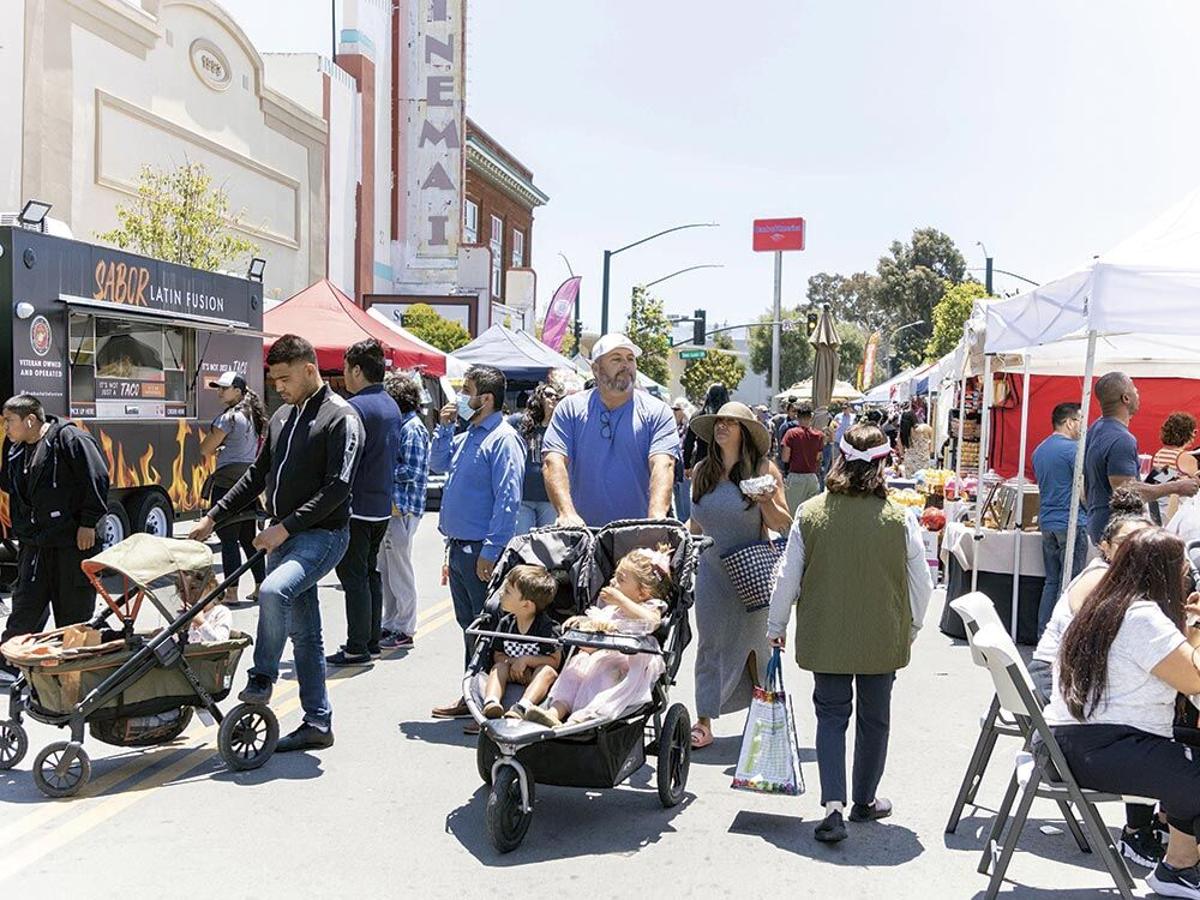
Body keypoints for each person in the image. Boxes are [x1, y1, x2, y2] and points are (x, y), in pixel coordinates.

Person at [190, 334, 362, 753]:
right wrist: (214, 516)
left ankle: (262, 675)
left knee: (271, 589)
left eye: (285, 378)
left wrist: (281, 529)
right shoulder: (284, 416)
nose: (278, 387)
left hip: (322, 537)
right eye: (274, 379)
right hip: (284, 536)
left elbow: (338, 489)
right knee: (306, 634)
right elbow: (255, 475)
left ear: (309, 368)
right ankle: (317, 722)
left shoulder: (342, 417)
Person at [767, 423, 933, 844]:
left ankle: (832, 806)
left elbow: (787, 576)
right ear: (883, 466)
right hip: (882, 633)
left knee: (831, 715)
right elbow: (922, 583)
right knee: (875, 718)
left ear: (838, 459)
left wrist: (777, 624)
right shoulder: (900, 518)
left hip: (827, 634)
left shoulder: (811, 513)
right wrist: (910, 626)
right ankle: (865, 799)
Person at [1047, 527, 1200, 899]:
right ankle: (1179, 866)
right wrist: (1195, 629)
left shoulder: (1108, 602)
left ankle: (1180, 866)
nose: (1188, 577)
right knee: (1194, 769)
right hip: (1100, 747)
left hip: (1071, 743)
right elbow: (1194, 680)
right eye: (1184, 571)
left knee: (1192, 749)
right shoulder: (1143, 617)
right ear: (1165, 574)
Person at [1028, 492, 1162, 868]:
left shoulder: (1118, 580)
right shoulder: (1101, 578)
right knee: (1144, 717)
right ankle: (1139, 832)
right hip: (1052, 675)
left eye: (1142, 544)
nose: (1135, 551)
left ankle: (1164, 819)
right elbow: (1111, 643)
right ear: (1105, 546)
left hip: (1070, 676)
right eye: (1126, 544)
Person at [686, 401, 791, 749]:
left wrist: (765, 499)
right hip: (711, 573)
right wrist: (681, 553)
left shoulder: (763, 469)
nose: (722, 427)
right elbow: (696, 524)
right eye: (720, 422)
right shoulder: (702, 470)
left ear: (744, 432)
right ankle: (703, 720)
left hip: (752, 572)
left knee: (755, 650)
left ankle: (764, 719)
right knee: (709, 645)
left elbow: (784, 524)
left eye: (731, 423)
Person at [428, 364, 525, 724]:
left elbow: (508, 500)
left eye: (466, 390)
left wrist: (491, 550)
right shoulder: (469, 434)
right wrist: (443, 427)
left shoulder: (502, 438)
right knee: (469, 627)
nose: (461, 397)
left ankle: (488, 700)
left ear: (485, 398)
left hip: (479, 550)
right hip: (458, 547)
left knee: (486, 629)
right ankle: (472, 694)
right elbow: (436, 462)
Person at [0, 395, 109, 686]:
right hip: (35, 544)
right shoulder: (15, 448)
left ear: (30, 420)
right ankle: (11, 664)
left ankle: (74, 671)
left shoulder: (70, 440)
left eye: (9, 421)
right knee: (25, 606)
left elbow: (96, 479)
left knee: (73, 611)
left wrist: (88, 523)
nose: (6, 427)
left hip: (72, 544)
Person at [523, 546, 672, 727]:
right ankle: (554, 711)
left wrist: (621, 601)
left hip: (630, 662)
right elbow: (590, 647)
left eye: (621, 579)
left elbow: (652, 622)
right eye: (615, 576)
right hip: (601, 656)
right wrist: (585, 626)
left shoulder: (650, 606)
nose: (613, 582)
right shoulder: (610, 610)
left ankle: (583, 718)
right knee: (576, 665)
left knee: (606, 675)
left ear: (642, 592)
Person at [543, 334, 678, 527]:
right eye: (616, 359)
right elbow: (553, 461)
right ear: (596, 369)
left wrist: (655, 518)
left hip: (637, 534)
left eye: (630, 359)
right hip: (582, 533)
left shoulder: (658, 411)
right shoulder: (569, 408)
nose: (626, 365)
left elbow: (663, 464)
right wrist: (566, 513)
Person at [325, 339, 402, 667]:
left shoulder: (354, 407)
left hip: (356, 505)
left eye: (345, 369)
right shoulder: (391, 405)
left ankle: (357, 644)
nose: (344, 376)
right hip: (381, 503)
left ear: (357, 370)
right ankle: (369, 640)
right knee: (369, 573)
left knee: (354, 576)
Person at [1084, 371, 1197, 546]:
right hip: (1118, 531)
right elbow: (1128, 492)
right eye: (1135, 390)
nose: (1138, 394)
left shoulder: (1096, 428)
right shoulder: (1122, 439)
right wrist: (1177, 486)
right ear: (1126, 398)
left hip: (1099, 520)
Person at [199, 372, 268, 604]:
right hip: (249, 482)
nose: (220, 392)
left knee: (228, 538)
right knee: (248, 538)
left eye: (224, 388)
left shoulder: (228, 418)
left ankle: (231, 592)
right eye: (218, 387)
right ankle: (260, 586)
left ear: (238, 391)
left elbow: (205, 449)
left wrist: (219, 447)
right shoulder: (253, 416)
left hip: (227, 482)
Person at [377, 372, 429, 651]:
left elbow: (412, 470)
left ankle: (405, 626)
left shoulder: (412, 429)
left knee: (399, 570)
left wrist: (380, 470)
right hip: (393, 508)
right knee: (387, 570)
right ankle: (392, 621)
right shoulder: (403, 426)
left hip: (404, 509)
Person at [1032, 402, 1090, 636]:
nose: (1083, 427)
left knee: (1052, 582)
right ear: (1069, 422)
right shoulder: (1074, 450)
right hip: (1071, 521)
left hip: (1048, 521)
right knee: (1071, 585)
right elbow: (1083, 490)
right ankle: (1059, 637)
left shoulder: (1040, 450)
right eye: (1080, 421)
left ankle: (1043, 634)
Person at [481, 564, 561, 720]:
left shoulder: (547, 627)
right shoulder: (506, 623)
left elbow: (555, 660)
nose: (502, 594)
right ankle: (491, 701)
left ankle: (523, 705)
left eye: (508, 592)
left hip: (533, 673)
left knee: (548, 671)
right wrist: (512, 663)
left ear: (526, 605)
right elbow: (498, 654)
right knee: (498, 667)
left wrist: (526, 661)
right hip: (512, 670)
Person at [510, 382, 560, 536]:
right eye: (549, 395)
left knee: (547, 544)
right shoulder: (519, 421)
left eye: (556, 396)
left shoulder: (560, 426)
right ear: (538, 397)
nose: (553, 399)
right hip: (523, 494)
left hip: (549, 496)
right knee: (522, 543)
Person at [1150, 411, 1199, 526]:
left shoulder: (1159, 454)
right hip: (1179, 511)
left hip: (1160, 510)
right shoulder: (1185, 457)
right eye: (1194, 431)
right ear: (1187, 434)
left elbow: (1157, 481)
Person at [781, 402, 824, 510]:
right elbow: (818, 457)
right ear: (811, 417)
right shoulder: (819, 435)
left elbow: (785, 458)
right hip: (812, 478)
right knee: (811, 512)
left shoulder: (791, 433)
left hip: (796, 477)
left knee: (792, 512)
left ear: (797, 417)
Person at [683, 383, 729, 477]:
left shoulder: (698, 416)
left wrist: (686, 464)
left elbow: (689, 442)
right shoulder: (729, 417)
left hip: (702, 462)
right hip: (725, 463)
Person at [671, 397, 693, 522]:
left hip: (685, 466)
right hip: (675, 466)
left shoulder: (688, 425)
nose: (673, 411)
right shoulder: (675, 426)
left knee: (685, 497)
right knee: (677, 497)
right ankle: (680, 522)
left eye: (676, 409)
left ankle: (687, 524)